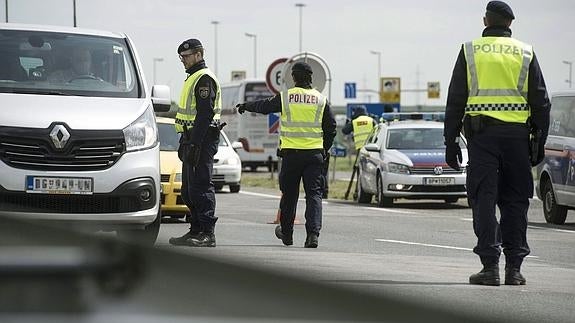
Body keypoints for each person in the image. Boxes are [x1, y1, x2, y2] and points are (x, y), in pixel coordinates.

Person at [443, 1, 551, 286]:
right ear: (510, 24)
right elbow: (541, 102)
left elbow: (455, 100)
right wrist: (539, 141)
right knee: (516, 202)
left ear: (485, 21)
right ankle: (514, 269)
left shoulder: (470, 50)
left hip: (482, 139)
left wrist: (450, 141)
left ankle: (489, 267)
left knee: (483, 199)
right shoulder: (525, 52)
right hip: (517, 139)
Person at [236, 62, 337, 248]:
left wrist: (245, 106)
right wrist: (324, 149)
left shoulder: (286, 97)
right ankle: (312, 235)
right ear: (311, 77)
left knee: (289, 196)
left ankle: (288, 235)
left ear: (294, 77)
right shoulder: (321, 100)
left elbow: (264, 106)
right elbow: (331, 128)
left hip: (291, 156)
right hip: (314, 156)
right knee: (314, 195)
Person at [169, 38, 222, 247]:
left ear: (199, 55)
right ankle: (196, 229)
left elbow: (205, 113)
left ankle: (208, 233)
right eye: (181, 57)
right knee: (188, 189)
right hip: (190, 138)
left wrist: (196, 143)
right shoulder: (192, 77)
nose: (183, 60)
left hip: (202, 138)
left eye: (186, 56)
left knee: (201, 186)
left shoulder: (204, 78)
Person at [341, 106, 376, 199]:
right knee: (372, 171)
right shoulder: (371, 120)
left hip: (360, 150)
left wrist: (348, 123)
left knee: (360, 171)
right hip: (371, 150)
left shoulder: (355, 122)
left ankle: (358, 193)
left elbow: (344, 131)